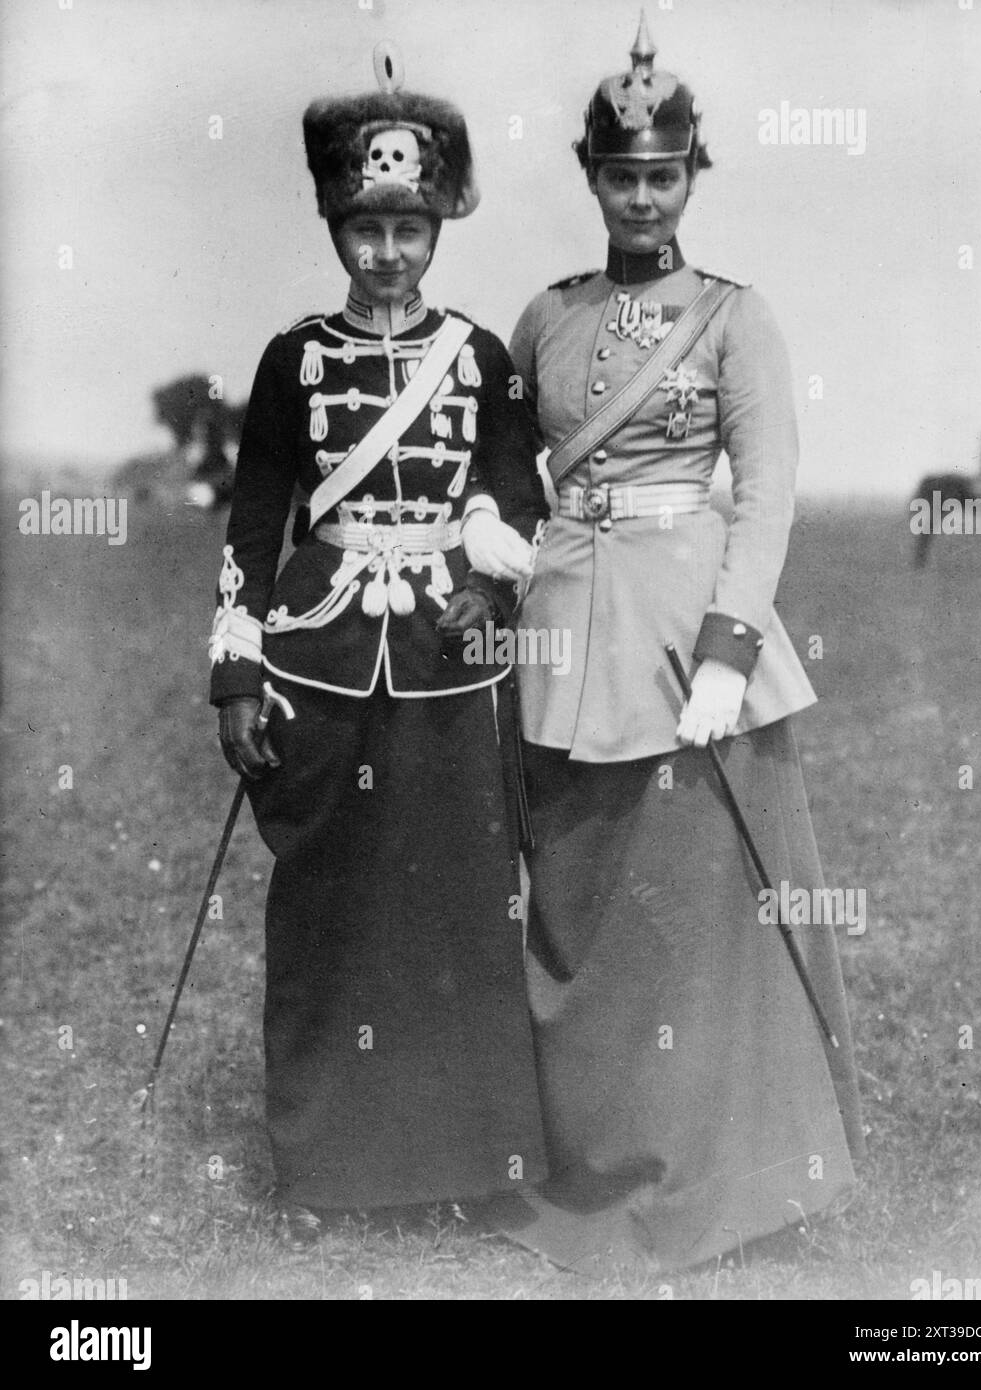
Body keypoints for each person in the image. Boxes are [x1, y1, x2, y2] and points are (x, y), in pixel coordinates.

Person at [489, 17, 866, 1272]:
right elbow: (503, 471)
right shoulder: (543, 317)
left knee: (699, 921)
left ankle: (724, 1178)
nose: (640, 196)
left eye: (663, 174)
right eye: (618, 174)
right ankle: (587, 1158)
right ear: (588, 175)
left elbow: (763, 494)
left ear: (692, 176)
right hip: (562, 635)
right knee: (581, 909)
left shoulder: (733, 318)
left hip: (690, 638)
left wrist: (723, 648)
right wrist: (493, 548)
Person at [208, 43, 549, 1247]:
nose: (386, 251)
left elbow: (516, 494)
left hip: (449, 663)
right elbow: (255, 523)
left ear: (439, 223)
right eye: (362, 225)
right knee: (330, 903)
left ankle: (470, 1156)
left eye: (407, 226)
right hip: (320, 653)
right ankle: (330, 1163)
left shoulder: (481, 360)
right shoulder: (293, 358)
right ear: (333, 221)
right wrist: (236, 670)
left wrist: (489, 590)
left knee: (459, 905)